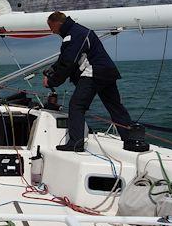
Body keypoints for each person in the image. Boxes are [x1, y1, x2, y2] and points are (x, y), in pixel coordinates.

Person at [43, 11, 133, 151]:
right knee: (115, 107)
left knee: (76, 106)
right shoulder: (77, 32)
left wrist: (51, 82)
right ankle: (130, 140)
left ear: (58, 23)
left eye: (51, 27)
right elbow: (66, 57)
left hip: (94, 72)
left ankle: (76, 144)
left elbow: (68, 62)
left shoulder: (74, 35)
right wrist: (52, 69)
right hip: (107, 72)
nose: (52, 31)